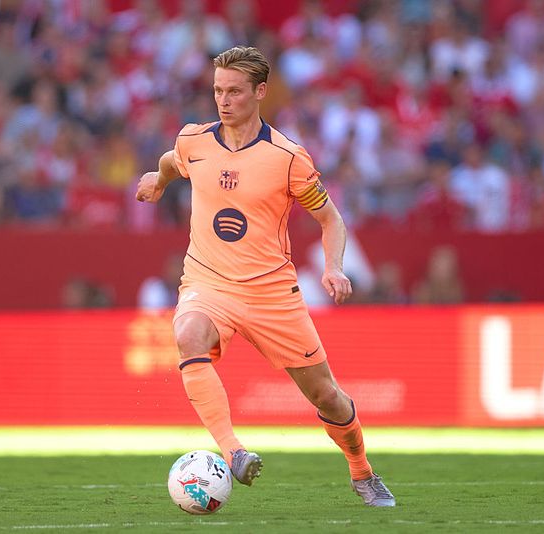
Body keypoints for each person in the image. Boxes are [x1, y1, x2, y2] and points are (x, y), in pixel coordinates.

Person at [135, 46, 394, 507]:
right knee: (189, 334)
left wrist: (333, 266)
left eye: (234, 91)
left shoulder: (288, 158)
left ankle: (362, 472)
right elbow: (173, 160)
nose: (223, 100)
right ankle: (233, 453)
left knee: (328, 398)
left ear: (260, 92)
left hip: (273, 293)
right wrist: (158, 180)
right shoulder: (195, 140)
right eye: (217, 90)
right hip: (209, 282)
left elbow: (331, 219)